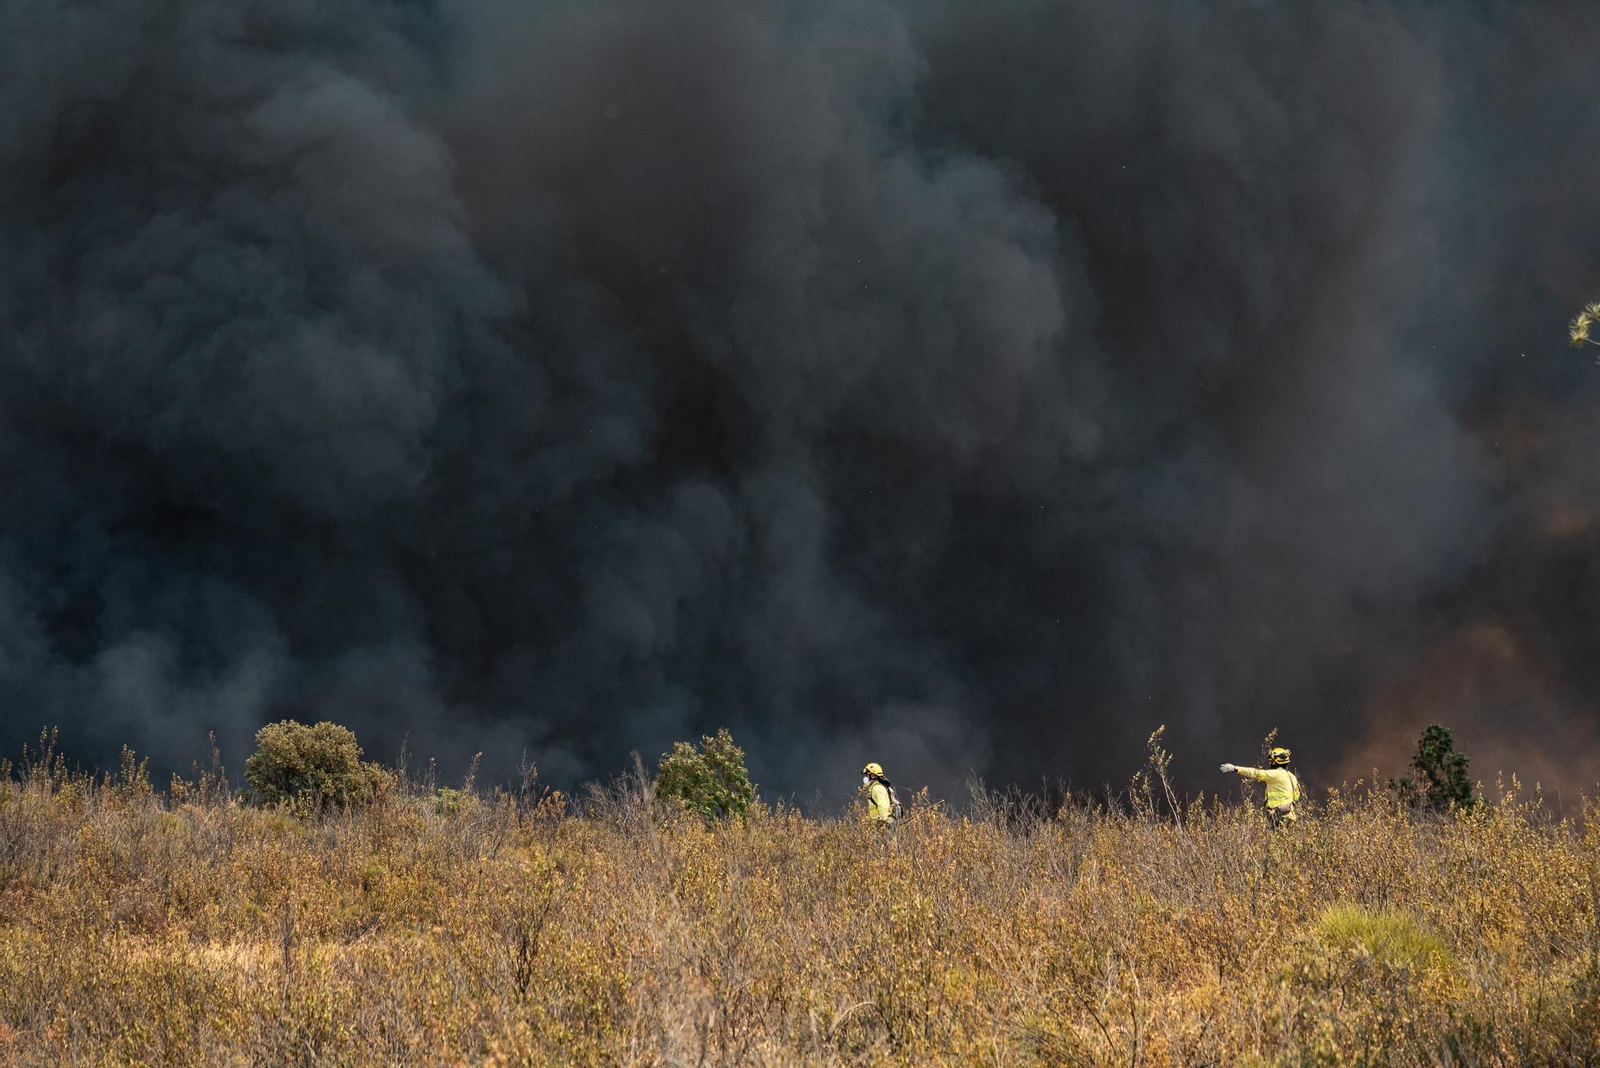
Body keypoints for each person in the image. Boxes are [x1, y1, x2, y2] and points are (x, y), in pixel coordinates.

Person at [1220, 746, 1301, 828]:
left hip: (1279, 817)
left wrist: (1236, 769)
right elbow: (1296, 796)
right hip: (1290, 816)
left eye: (1271, 761)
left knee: (1275, 836)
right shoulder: (1292, 776)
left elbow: (1256, 773)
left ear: (1276, 762)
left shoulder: (1275, 774)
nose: (1270, 763)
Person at [861, 762, 898, 840]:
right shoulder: (874, 788)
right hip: (881, 822)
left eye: (867, 776)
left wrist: (883, 824)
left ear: (873, 776)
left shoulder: (877, 789)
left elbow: (883, 806)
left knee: (887, 845)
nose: (865, 778)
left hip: (885, 822)